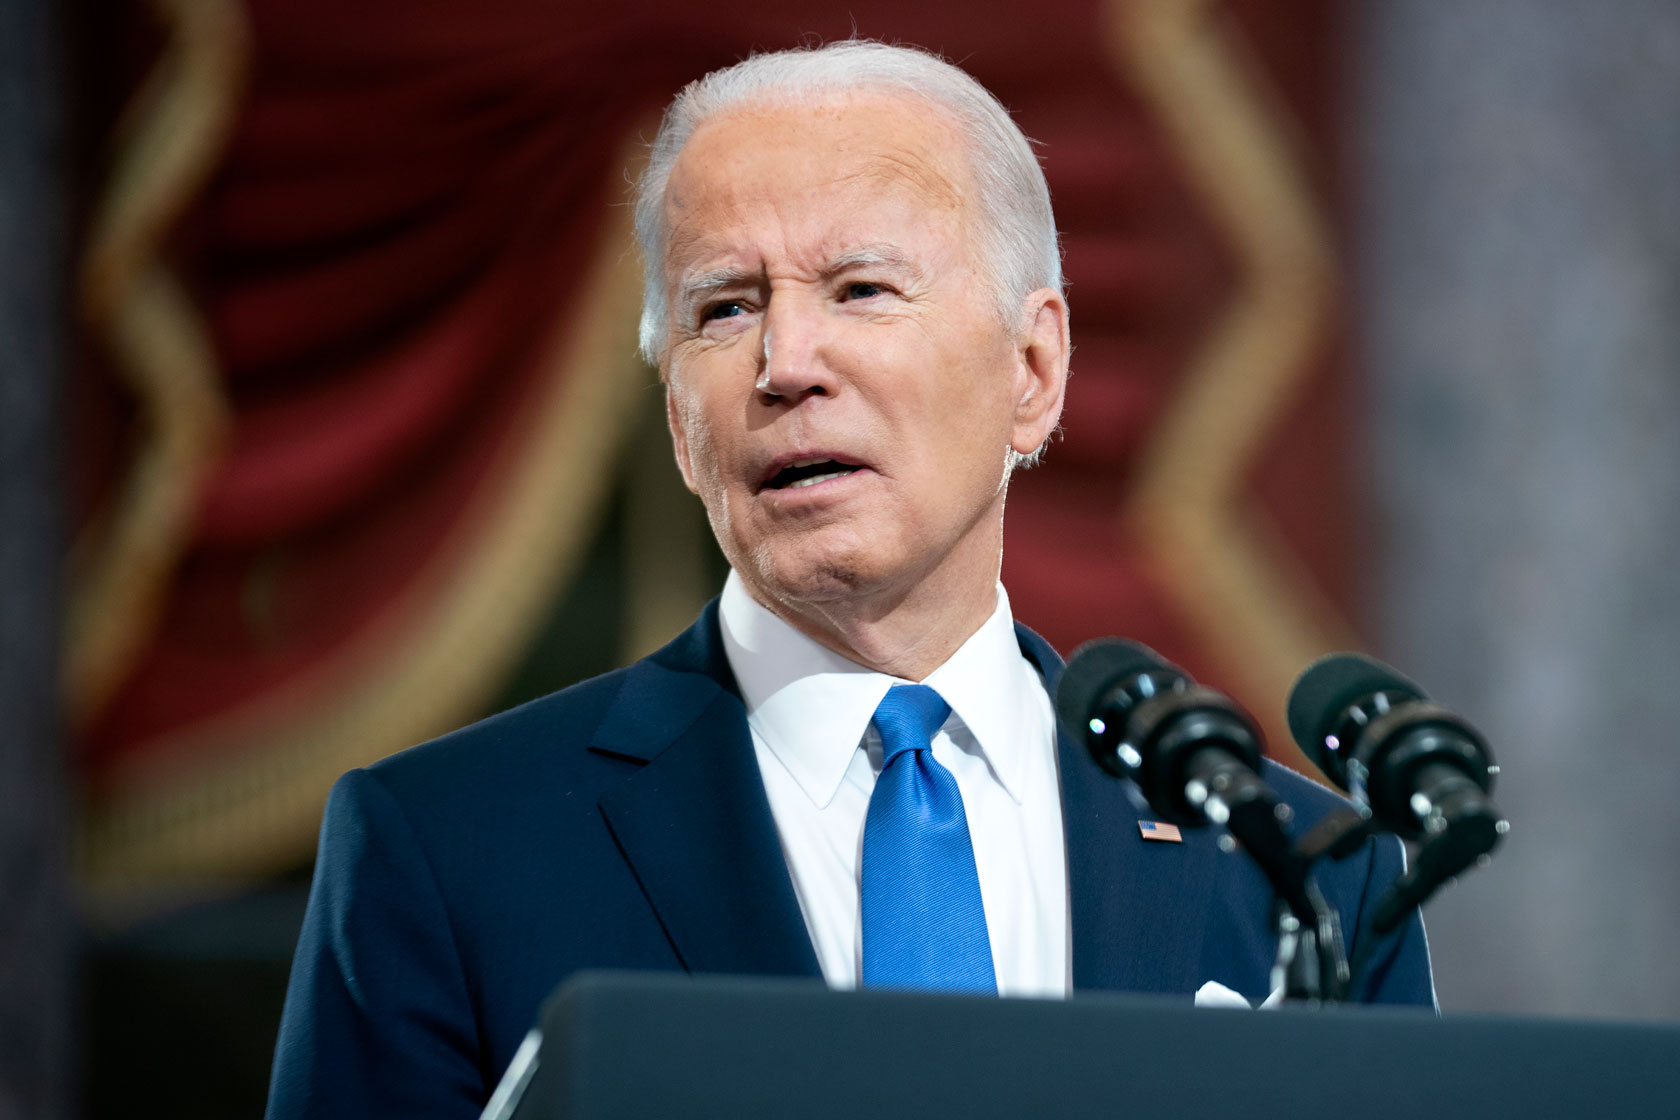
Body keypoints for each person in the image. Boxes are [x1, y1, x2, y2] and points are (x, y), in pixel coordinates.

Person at [265, 40, 1433, 1120]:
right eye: (725, 308)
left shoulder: (1301, 869)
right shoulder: (448, 848)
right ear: (679, 421)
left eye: (861, 288)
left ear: (1033, 369)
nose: (785, 365)